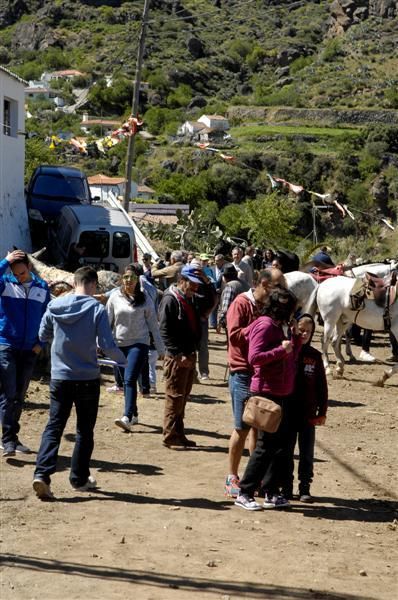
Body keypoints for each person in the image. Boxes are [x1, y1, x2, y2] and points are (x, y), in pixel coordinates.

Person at [32, 266, 126, 500]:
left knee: (54, 427)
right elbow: (106, 343)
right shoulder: (96, 308)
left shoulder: (55, 306)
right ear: (93, 284)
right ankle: (79, 478)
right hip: (86, 378)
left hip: (60, 377)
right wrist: (125, 362)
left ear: (75, 283)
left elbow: (42, 335)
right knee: (84, 430)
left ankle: (42, 474)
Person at [234, 287, 300, 511]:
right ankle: (245, 492)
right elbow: (255, 358)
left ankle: (271, 492)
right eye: (289, 308)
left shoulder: (282, 326)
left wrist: (295, 342)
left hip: (282, 391)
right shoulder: (264, 325)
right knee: (264, 446)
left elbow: (291, 355)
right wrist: (281, 351)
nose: (292, 313)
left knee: (279, 447)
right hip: (266, 392)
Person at [224, 269, 285, 498]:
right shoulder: (242, 304)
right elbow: (234, 336)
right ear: (264, 284)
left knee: (258, 427)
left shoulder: (267, 308)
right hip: (242, 371)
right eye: (277, 285)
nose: (279, 290)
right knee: (242, 426)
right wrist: (259, 327)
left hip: (260, 373)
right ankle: (232, 476)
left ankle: (253, 478)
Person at [0, 249, 50, 457]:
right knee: (9, 393)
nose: (18, 278)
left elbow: (48, 318)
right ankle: (8, 440)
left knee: (19, 395)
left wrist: (40, 343)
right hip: (6, 346)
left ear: (29, 267)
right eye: (15, 273)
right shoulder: (5, 284)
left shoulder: (42, 287)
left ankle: (12, 437)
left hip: (30, 349)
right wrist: (5, 261)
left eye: (21, 273)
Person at [106, 263, 165, 431]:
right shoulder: (115, 297)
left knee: (130, 379)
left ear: (137, 280)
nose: (128, 281)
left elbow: (153, 325)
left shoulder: (145, 298)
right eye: (125, 277)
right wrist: (100, 343)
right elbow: (107, 321)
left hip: (139, 344)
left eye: (132, 278)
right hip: (119, 344)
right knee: (126, 382)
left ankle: (127, 416)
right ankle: (135, 414)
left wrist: (161, 349)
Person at [286, 314, 328, 502]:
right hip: (287, 410)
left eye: (308, 331)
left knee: (306, 453)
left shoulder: (315, 356)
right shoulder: (286, 351)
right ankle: (286, 486)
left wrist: (322, 410)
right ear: (293, 329)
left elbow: (322, 386)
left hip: (308, 412)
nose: (304, 334)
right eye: (301, 330)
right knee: (286, 451)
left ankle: (304, 487)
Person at [159, 265, 202, 448]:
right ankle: (169, 435)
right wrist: (177, 354)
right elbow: (164, 330)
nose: (196, 288)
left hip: (189, 354)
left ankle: (179, 433)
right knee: (174, 397)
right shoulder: (171, 299)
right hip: (177, 357)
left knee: (183, 397)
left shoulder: (187, 298)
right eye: (193, 284)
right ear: (182, 281)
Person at [217, 265, 249, 332]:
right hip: (247, 321)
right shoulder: (245, 284)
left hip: (235, 323)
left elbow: (226, 308)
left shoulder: (230, 286)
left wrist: (221, 322)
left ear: (224, 277)